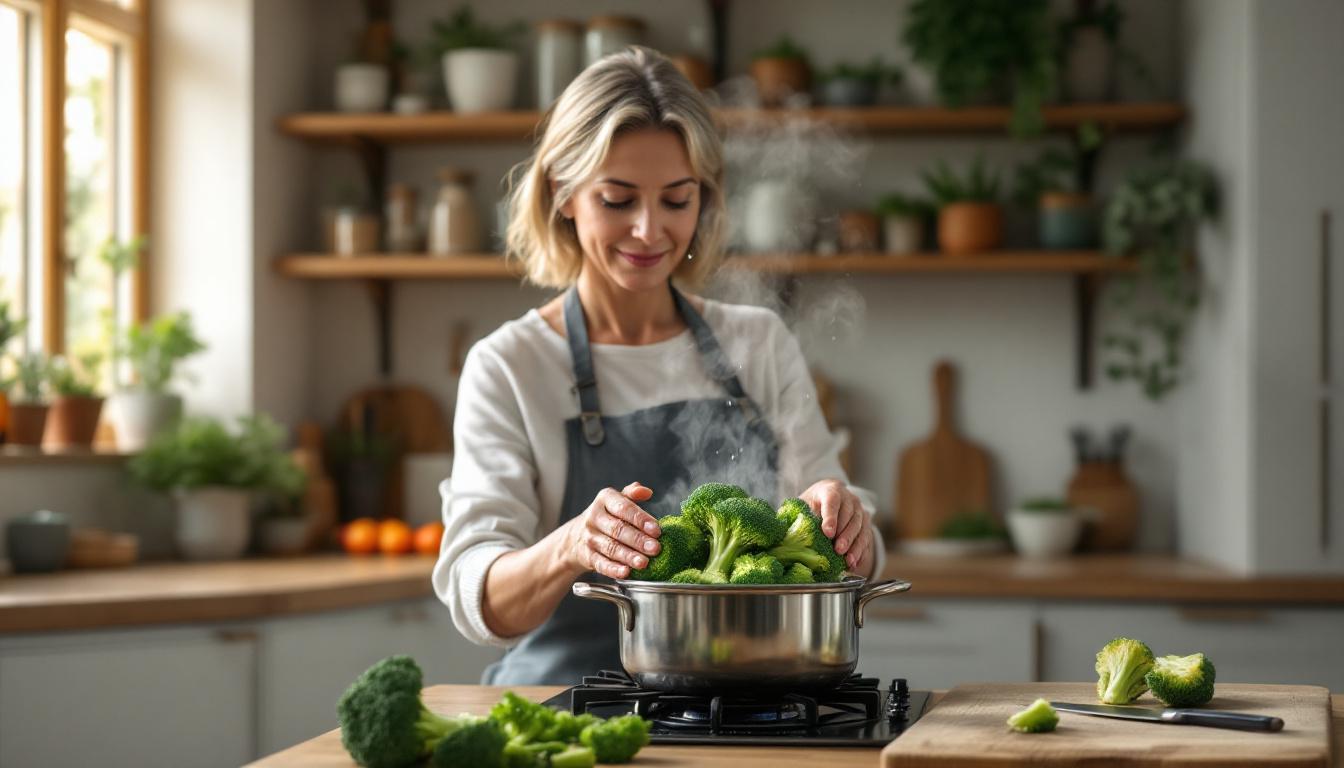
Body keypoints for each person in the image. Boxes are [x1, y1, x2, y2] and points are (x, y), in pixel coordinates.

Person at [433, 47, 885, 686]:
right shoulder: (510, 365)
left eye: (676, 200)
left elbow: (845, 531)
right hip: (562, 704)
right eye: (618, 200)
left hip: (740, 701)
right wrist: (571, 545)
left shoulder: (757, 340)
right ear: (564, 193)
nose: (649, 231)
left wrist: (849, 525)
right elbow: (475, 595)